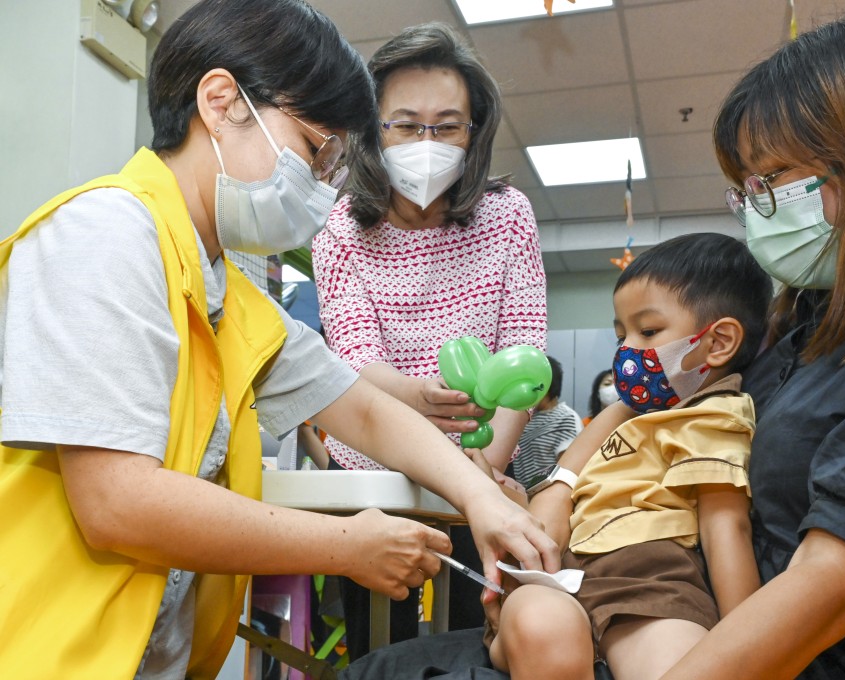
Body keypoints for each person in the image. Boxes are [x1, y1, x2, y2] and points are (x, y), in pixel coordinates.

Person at [341, 9, 845, 680]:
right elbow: (656, 401)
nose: (760, 205)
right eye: (747, 187)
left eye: (775, 178)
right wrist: (559, 487)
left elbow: (831, 580)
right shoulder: (809, 323)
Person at [0, 2, 559, 678]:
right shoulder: (103, 235)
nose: (324, 185)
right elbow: (117, 502)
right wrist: (343, 545)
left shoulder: (228, 293)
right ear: (221, 101)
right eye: (315, 150)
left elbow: (359, 406)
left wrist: (479, 498)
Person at [311, 22, 546, 649]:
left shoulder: (508, 217)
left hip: (485, 456)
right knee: (378, 639)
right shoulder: (339, 228)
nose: (427, 141)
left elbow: (524, 352)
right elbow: (354, 359)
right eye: (406, 124)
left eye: (447, 125)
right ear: (371, 129)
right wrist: (422, 400)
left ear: (475, 131)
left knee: (478, 631)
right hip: (372, 465)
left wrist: (482, 473)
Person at [488, 233, 772, 680]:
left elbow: (726, 527)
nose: (627, 352)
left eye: (649, 332)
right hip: (561, 576)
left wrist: (750, 647)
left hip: (651, 586)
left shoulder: (714, 415)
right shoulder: (630, 410)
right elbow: (567, 475)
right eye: (622, 335)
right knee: (540, 626)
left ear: (718, 343)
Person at [511, 355, 583, 490]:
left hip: (550, 494)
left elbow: (568, 469)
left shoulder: (566, 418)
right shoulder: (523, 417)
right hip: (523, 496)